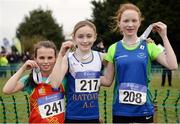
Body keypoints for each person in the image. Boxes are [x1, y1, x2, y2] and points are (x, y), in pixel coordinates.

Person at [100, 3, 178, 123]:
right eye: (126, 21)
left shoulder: (149, 46)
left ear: (139, 23)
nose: (130, 24)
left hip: (144, 108)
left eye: (134, 20)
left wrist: (164, 36)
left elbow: (172, 65)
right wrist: (84, 76)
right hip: (120, 110)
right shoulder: (113, 48)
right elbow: (107, 81)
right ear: (119, 23)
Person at [49, 20, 105, 123]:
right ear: (74, 38)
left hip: (94, 117)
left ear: (95, 37)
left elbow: (110, 79)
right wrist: (61, 55)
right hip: (73, 117)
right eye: (80, 37)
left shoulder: (100, 57)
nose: (85, 40)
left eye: (89, 36)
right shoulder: (68, 58)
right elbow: (54, 84)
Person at [3, 41, 65, 123]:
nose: (46, 61)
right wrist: (22, 69)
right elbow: (6, 90)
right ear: (35, 59)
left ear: (55, 59)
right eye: (42, 58)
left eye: (50, 58)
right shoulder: (30, 79)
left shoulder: (62, 78)